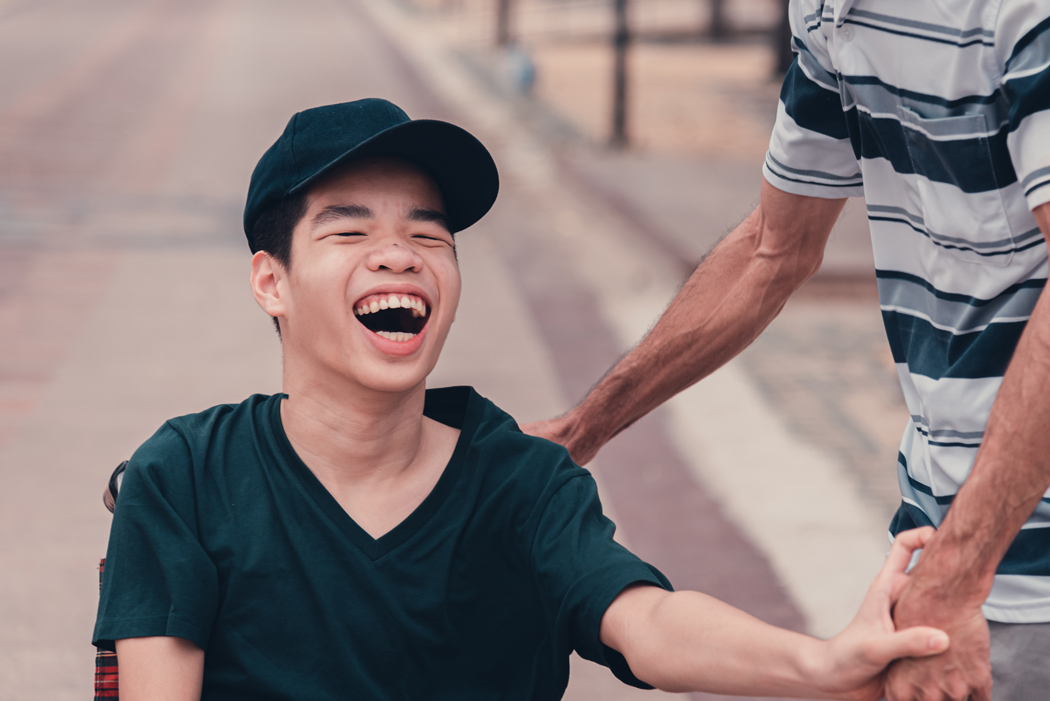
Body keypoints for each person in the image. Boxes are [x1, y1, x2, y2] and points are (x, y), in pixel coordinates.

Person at [92, 98, 949, 700]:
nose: (399, 255)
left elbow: (645, 621)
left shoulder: (520, 482)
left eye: (428, 233)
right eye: (350, 231)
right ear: (270, 282)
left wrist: (825, 662)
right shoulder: (186, 477)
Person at [526, 1, 1050, 700]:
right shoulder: (829, 11)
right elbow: (774, 248)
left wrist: (958, 576)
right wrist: (580, 429)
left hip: (1013, 572)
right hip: (941, 534)